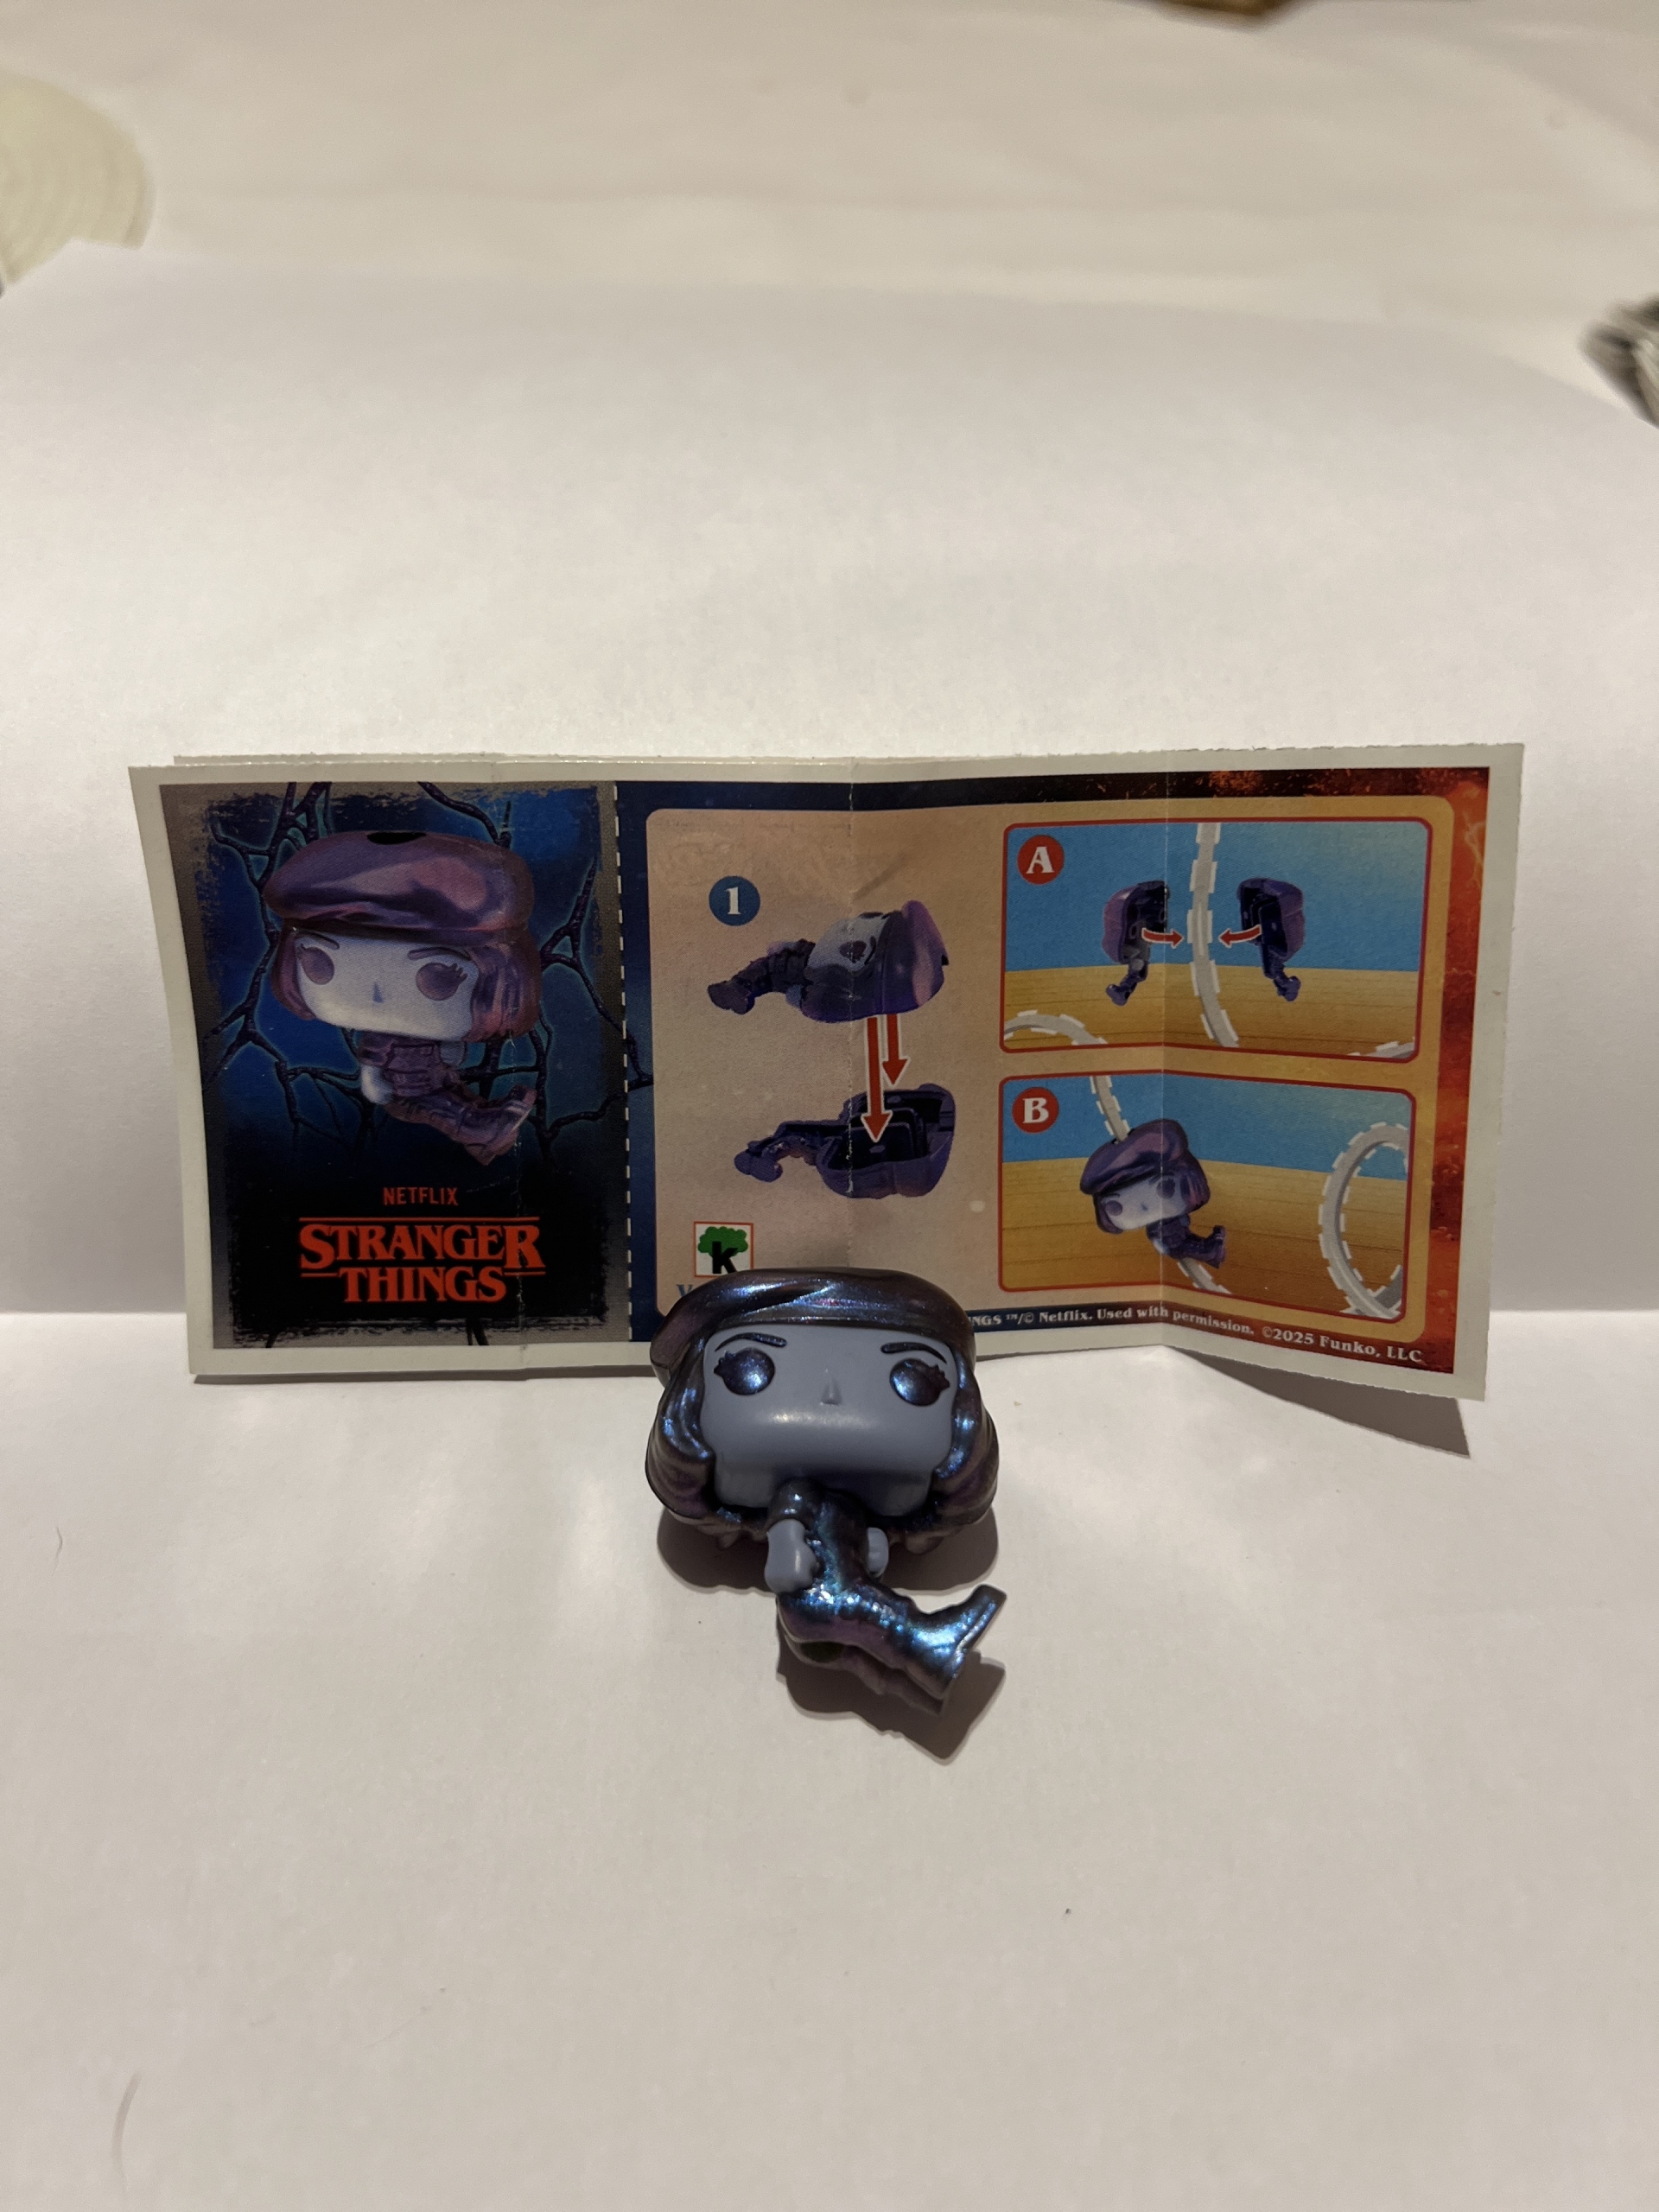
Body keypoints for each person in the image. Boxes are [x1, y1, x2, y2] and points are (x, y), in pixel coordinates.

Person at [648, 1269, 1003, 1709]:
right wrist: (793, 1554)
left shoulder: (803, 1497)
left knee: (839, 1638)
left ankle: (911, 1671)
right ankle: (927, 1655)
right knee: (869, 1622)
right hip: (826, 1600)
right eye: (751, 1367)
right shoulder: (797, 1498)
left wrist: (873, 1542)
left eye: (912, 1377)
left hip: (815, 1605)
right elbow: (788, 1540)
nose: (830, 1393)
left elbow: (832, 1538)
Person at [265, 828, 542, 1166]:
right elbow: (372, 1065)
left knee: (451, 1102)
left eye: (439, 975)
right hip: (405, 1094)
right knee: (443, 1110)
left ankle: (486, 1134)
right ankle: (484, 1131)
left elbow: (443, 1052)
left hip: (437, 1080)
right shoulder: (380, 1039)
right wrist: (373, 1084)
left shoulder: (423, 1031)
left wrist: (450, 1050)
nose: (376, 994)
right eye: (319, 963)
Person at [1079, 1118, 1226, 1268]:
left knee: (1184, 1243)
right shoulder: (1160, 1227)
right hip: (1170, 1239)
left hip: (1174, 1235)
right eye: (1115, 1207)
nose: (1144, 1205)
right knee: (1181, 1245)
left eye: (1165, 1188)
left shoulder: (1170, 1216)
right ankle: (1209, 1252)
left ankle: (1210, 1252)